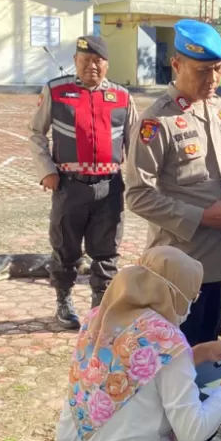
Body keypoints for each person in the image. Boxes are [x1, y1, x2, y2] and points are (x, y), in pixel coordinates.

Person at [123, 19, 221, 441]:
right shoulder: (156, 120)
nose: (211, 79)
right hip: (175, 275)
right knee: (175, 369)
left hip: (215, 267)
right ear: (176, 63)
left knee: (205, 361)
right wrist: (201, 218)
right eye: (201, 70)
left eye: (218, 70)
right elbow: (137, 193)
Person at [54, 246, 221, 441]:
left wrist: (202, 352)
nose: (192, 303)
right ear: (174, 294)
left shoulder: (97, 319)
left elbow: (131, 372)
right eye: (192, 296)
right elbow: (192, 431)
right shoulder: (168, 340)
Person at [29, 35, 139, 329]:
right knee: (66, 249)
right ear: (76, 62)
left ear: (106, 64)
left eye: (97, 61)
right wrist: (46, 170)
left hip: (110, 186)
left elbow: (137, 143)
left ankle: (99, 308)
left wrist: (139, 180)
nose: (91, 66)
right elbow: (36, 132)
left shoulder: (122, 97)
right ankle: (64, 301)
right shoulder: (57, 90)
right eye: (85, 60)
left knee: (106, 252)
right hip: (69, 185)